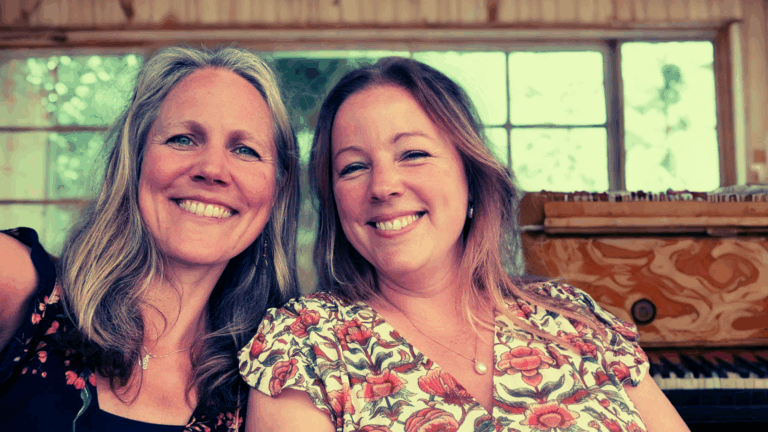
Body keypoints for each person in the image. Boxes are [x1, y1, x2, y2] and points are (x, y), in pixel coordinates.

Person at [238, 57, 689, 432]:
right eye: (353, 167)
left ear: (471, 177)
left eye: (413, 154)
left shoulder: (575, 320)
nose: (383, 186)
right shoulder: (304, 344)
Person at [0, 45, 300, 431]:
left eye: (245, 149)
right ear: (135, 161)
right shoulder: (24, 288)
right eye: (182, 139)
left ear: (276, 193)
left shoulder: (264, 386)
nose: (211, 169)